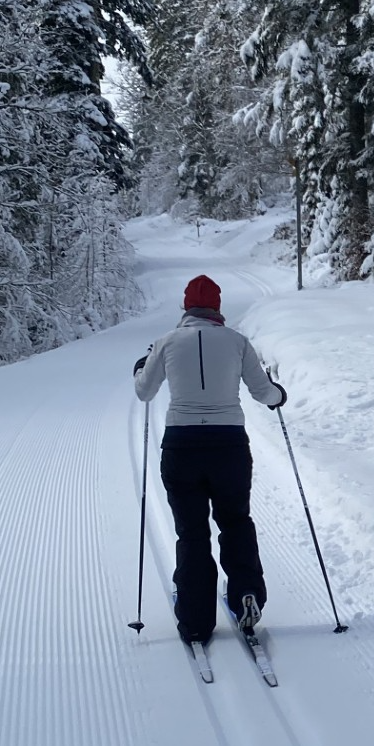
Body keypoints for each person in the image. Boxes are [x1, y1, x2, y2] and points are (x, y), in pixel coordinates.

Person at [133, 275, 287, 646]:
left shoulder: (167, 343)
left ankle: (195, 619)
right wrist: (279, 394)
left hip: (182, 446)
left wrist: (141, 366)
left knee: (192, 532)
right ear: (218, 308)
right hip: (229, 445)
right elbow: (264, 393)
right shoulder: (237, 343)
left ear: (186, 308)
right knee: (235, 522)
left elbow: (144, 391)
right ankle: (246, 594)